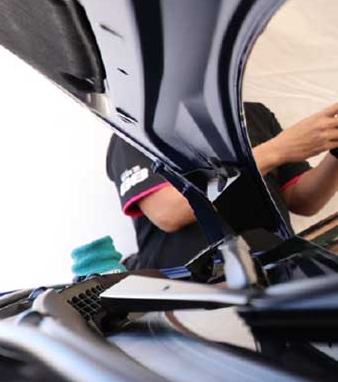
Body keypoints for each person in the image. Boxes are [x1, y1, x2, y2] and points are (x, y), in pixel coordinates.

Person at [106, 101, 338, 270]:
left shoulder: (254, 114)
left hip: (280, 275)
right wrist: (276, 150)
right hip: (194, 293)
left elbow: (303, 201)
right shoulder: (136, 131)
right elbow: (168, 212)